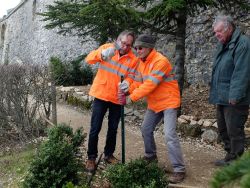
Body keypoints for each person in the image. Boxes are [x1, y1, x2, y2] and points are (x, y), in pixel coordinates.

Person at [118, 34, 186, 183]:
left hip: (169, 102)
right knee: (145, 129)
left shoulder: (161, 61)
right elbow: (137, 82)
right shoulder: (141, 63)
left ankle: (179, 169)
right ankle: (150, 156)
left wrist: (131, 98)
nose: (137, 50)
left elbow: (150, 84)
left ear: (149, 48)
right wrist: (128, 88)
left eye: (140, 48)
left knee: (169, 135)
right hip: (155, 103)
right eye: (135, 48)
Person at [85, 30, 138, 172]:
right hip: (101, 94)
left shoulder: (133, 58)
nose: (125, 47)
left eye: (129, 45)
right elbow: (89, 59)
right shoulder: (107, 48)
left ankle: (108, 155)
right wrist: (101, 55)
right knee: (95, 128)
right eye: (123, 43)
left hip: (117, 97)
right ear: (117, 40)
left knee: (113, 129)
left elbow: (132, 76)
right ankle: (91, 157)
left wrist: (127, 84)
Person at [209, 13, 250, 166]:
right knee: (223, 128)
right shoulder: (224, 43)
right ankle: (230, 156)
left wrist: (235, 96)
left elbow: (242, 72)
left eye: (219, 31)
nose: (216, 35)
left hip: (235, 98)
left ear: (229, 28)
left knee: (234, 129)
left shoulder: (243, 44)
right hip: (222, 96)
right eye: (215, 32)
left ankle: (236, 161)